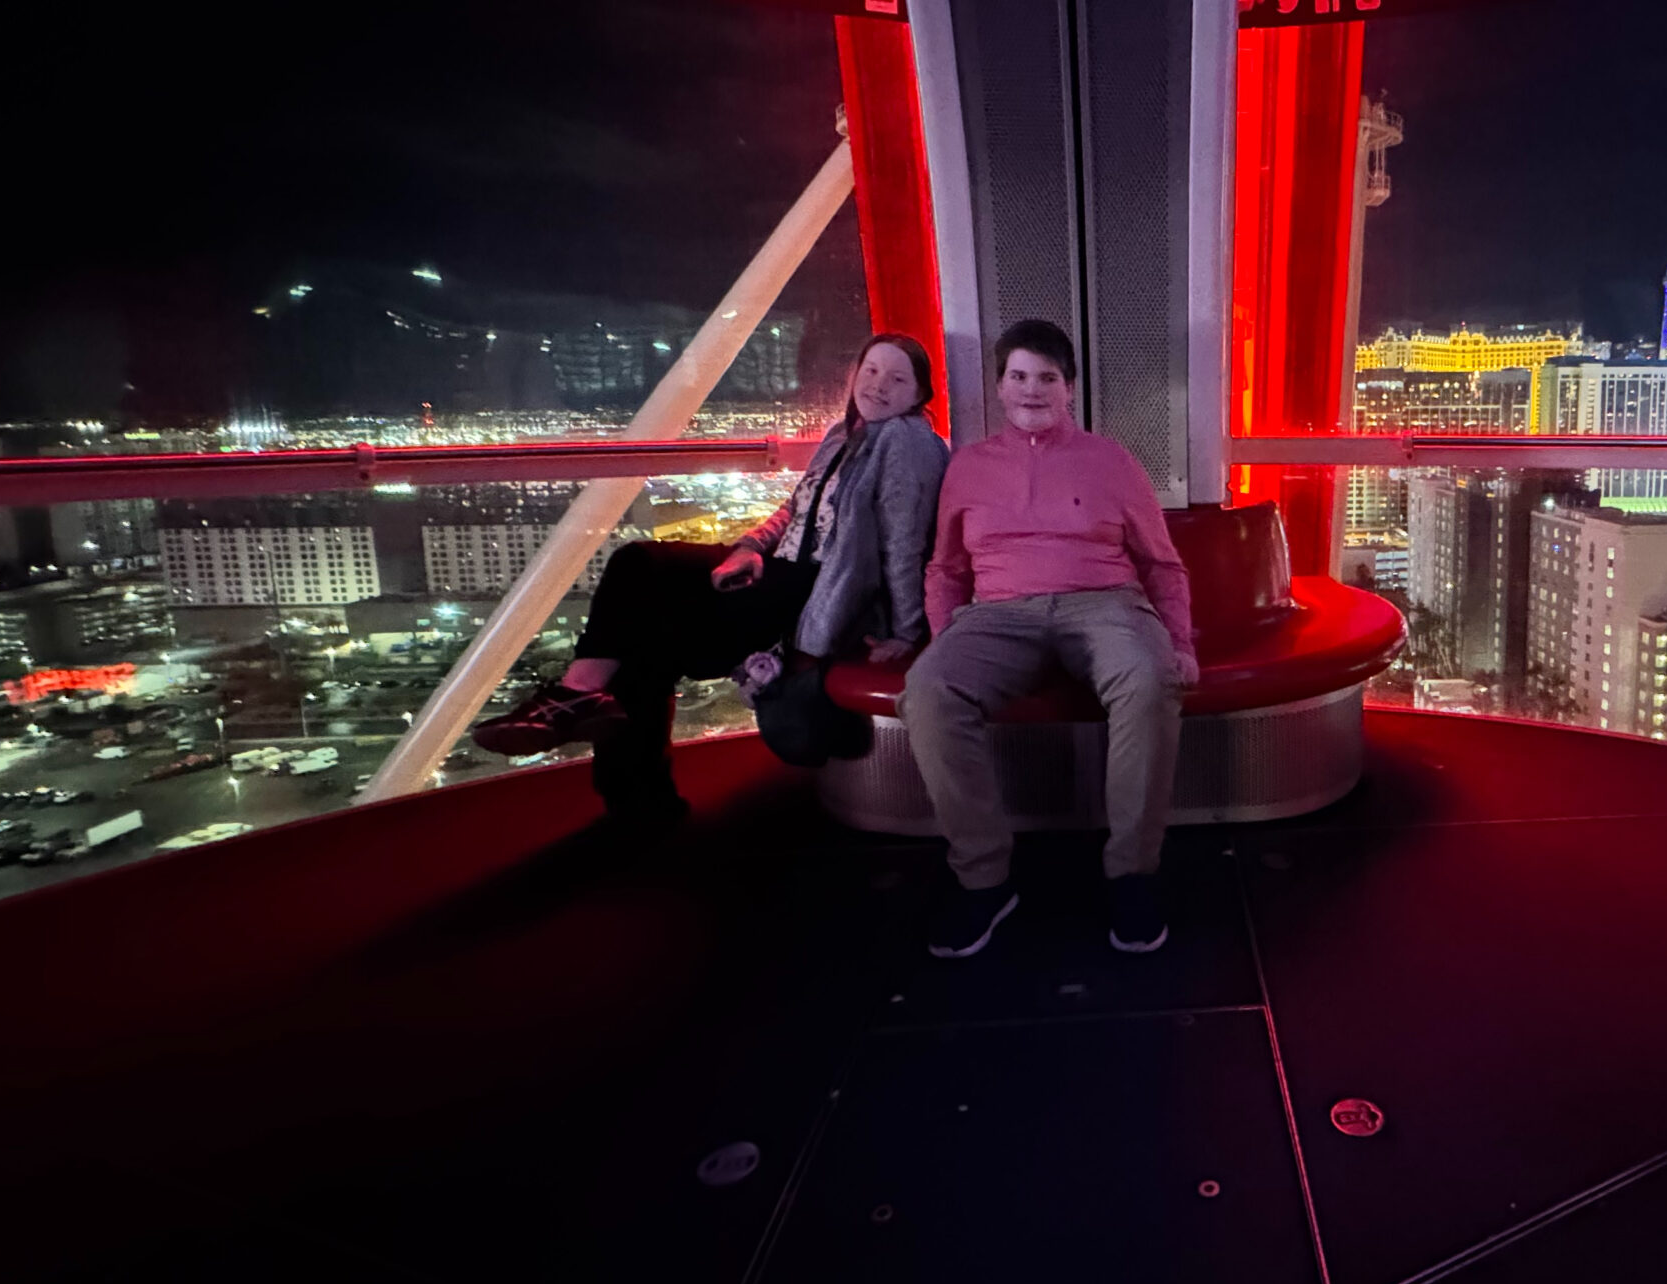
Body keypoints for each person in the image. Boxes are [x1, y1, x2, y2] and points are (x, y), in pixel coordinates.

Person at [472, 333, 950, 822]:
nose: (879, 386)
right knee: (636, 564)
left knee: (645, 638)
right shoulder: (842, 435)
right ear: (854, 375)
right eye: (870, 371)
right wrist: (748, 549)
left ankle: (616, 769)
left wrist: (907, 633)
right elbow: (795, 511)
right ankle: (588, 703)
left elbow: (905, 544)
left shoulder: (908, 443)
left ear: (919, 395)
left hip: (821, 590)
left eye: (897, 378)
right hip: (781, 570)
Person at [904, 319, 1198, 960]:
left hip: (1106, 605)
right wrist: (943, 638)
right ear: (1001, 387)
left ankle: (1132, 872)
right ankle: (983, 880)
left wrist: (1181, 642)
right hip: (999, 612)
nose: (1031, 389)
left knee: (1149, 682)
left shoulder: (1110, 461)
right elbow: (946, 569)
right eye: (1018, 376)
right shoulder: (970, 467)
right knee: (927, 691)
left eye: (1047, 378)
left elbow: (1162, 564)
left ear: (1069, 388)